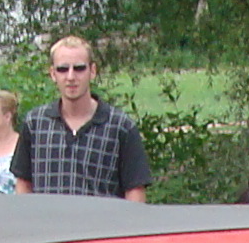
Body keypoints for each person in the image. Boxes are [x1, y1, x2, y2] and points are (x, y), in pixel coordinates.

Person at [11, 36, 149, 200]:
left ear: (92, 71)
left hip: (103, 224)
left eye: (79, 68)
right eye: (63, 69)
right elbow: (24, 183)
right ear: (53, 73)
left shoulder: (121, 126)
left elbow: (135, 191)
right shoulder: (35, 123)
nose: (70, 77)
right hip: (48, 224)